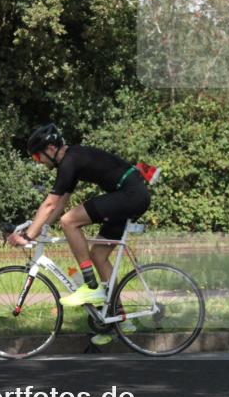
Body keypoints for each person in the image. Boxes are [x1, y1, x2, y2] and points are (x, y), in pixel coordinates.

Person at [9, 123, 151, 309]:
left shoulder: (70, 161)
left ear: (51, 149)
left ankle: (90, 285)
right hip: (132, 195)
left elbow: (50, 204)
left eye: (37, 156)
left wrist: (28, 236)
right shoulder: (72, 159)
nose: (38, 162)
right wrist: (43, 226)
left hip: (130, 195)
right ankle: (118, 317)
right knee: (98, 255)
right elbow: (60, 203)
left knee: (69, 221)